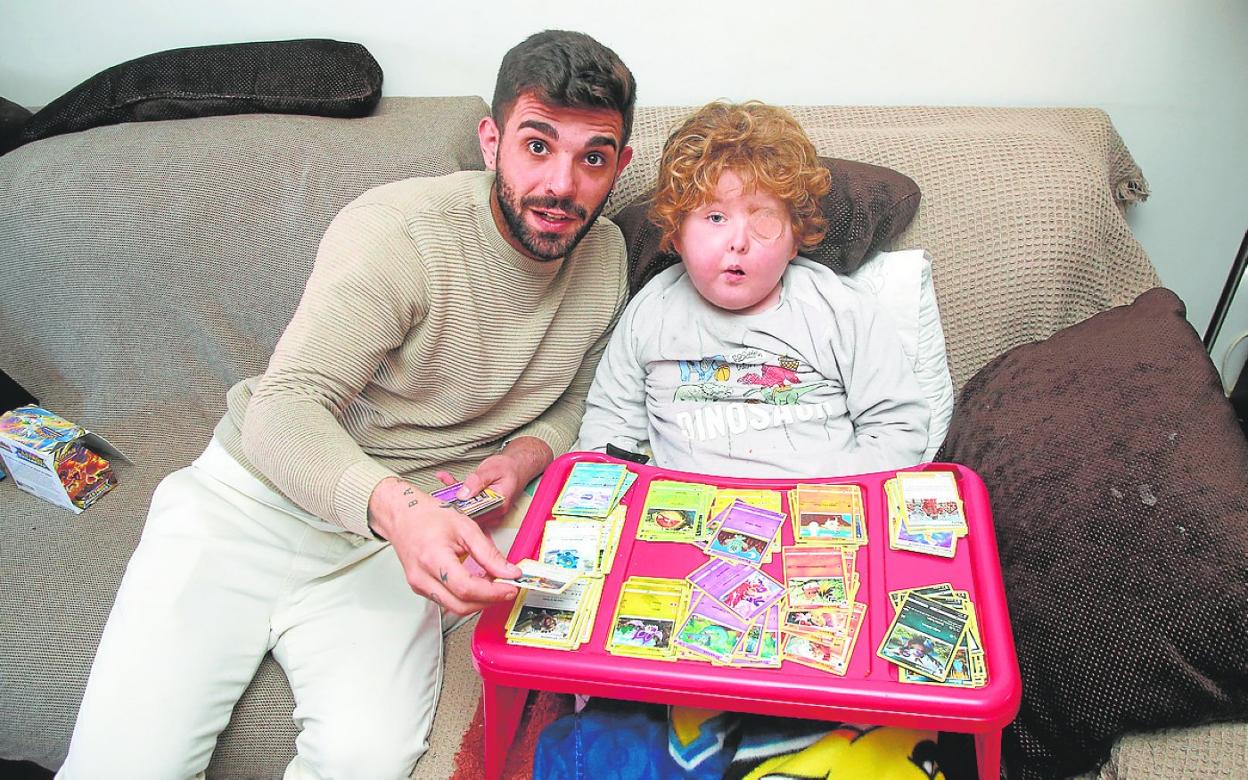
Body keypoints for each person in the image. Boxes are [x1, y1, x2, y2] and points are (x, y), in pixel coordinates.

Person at [59, 29, 635, 780]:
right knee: (125, 766)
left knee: (366, 762)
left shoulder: (610, 258)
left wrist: (520, 456)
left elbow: (581, 398)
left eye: (592, 157)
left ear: (619, 165)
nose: (563, 184)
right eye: (537, 145)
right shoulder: (398, 231)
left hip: (391, 549)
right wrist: (406, 513)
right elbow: (286, 407)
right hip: (252, 505)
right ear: (492, 140)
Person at [536, 101, 932, 779]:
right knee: (617, 726)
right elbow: (608, 432)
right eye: (714, 218)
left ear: (798, 232)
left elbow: (900, 428)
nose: (738, 242)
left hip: (818, 540)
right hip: (685, 547)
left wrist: (824, 503)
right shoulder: (652, 312)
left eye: (763, 218)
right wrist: (631, 521)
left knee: (852, 714)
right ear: (677, 229)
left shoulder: (837, 310)